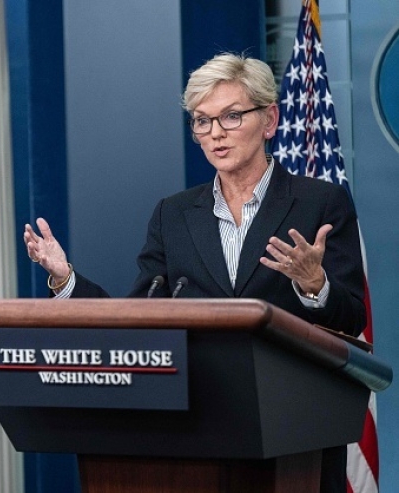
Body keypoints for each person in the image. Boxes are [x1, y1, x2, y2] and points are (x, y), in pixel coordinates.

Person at [23, 53, 366, 493]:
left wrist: (313, 284)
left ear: (270, 120)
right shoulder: (175, 214)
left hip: (293, 430)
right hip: (197, 426)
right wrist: (65, 278)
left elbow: (352, 318)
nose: (215, 133)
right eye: (201, 121)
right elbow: (138, 315)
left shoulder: (321, 202)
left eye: (231, 116)